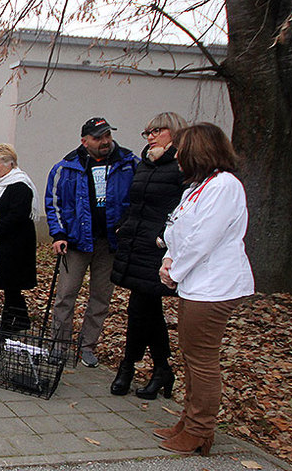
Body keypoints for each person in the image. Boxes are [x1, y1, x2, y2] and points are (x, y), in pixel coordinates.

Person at [154, 122, 253, 456]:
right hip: (195, 285)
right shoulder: (197, 187)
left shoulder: (225, 186)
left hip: (214, 287)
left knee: (202, 361)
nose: (176, 155)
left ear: (198, 151)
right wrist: (169, 260)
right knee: (191, 356)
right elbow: (178, 231)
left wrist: (175, 272)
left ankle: (200, 430)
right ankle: (189, 421)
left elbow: (203, 240)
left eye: (181, 150)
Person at [45, 117, 137, 367]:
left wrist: (125, 228)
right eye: (98, 137)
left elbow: (137, 199)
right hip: (75, 243)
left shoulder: (128, 164)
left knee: (101, 297)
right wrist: (59, 234)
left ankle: (87, 346)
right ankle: (59, 346)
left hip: (109, 244)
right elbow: (53, 204)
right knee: (65, 295)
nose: (105, 141)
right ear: (85, 141)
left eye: (107, 135)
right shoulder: (66, 167)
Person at [109, 112, 188, 398]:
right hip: (135, 245)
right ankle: (161, 370)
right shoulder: (145, 165)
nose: (151, 136)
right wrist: (123, 226)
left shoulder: (182, 167)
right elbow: (135, 202)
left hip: (157, 250)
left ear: (175, 132)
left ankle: (129, 367)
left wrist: (163, 238)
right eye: (148, 132)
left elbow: (183, 209)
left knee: (141, 310)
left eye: (157, 130)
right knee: (146, 311)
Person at [0, 144, 38, 342]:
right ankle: (22, 320)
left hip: (17, 246)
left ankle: (7, 326)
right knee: (10, 287)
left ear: (9, 164)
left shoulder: (20, 185)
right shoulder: (5, 183)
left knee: (11, 285)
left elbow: (17, 215)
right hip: (6, 243)